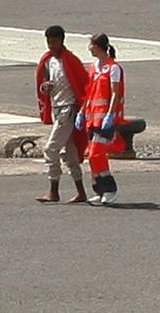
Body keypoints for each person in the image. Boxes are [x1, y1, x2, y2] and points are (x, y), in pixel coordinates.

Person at [35, 25, 91, 205]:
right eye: (48, 42)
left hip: (68, 110)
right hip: (57, 109)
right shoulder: (48, 61)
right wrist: (45, 88)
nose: (51, 45)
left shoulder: (71, 60)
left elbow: (83, 84)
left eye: (54, 41)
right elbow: (43, 84)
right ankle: (81, 192)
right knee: (71, 154)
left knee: (51, 149)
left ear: (61, 40)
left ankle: (53, 190)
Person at [81, 33, 126, 206]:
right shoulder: (94, 67)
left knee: (96, 154)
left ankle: (110, 188)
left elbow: (115, 93)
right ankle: (99, 190)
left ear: (98, 46)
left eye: (91, 44)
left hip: (105, 119)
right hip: (92, 118)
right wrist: (82, 112)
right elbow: (90, 92)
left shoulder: (113, 68)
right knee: (91, 157)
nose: (89, 48)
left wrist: (110, 114)